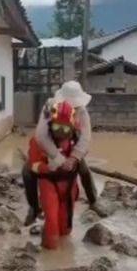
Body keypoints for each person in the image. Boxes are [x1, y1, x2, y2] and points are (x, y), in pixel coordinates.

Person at [23, 80, 101, 226]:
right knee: (27, 172)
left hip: (71, 145)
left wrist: (74, 157)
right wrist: (58, 158)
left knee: (84, 170)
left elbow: (85, 136)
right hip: (49, 144)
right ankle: (34, 208)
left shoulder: (82, 110)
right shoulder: (49, 107)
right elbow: (41, 135)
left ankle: (93, 201)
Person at [27, 101, 80, 249]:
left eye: (65, 128)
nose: (61, 132)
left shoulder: (77, 139)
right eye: (57, 127)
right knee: (52, 223)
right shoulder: (39, 140)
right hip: (49, 184)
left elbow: (83, 152)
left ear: (72, 126)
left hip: (70, 185)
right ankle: (49, 252)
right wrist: (47, 168)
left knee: (66, 228)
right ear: (50, 125)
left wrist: (75, 160)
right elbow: (33, 165)